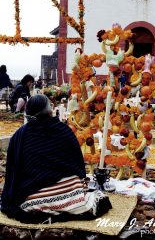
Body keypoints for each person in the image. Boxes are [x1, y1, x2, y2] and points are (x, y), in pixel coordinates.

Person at [1, 94, 111, 223]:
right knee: (84, 191)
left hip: (34, 199)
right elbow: (77, 165)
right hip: (69, 191)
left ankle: (45, 207)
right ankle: (70, 202)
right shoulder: (63, 130)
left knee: (23, 199)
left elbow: (13, 171)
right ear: (49, 110)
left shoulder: (20, 135)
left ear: (27, 111)